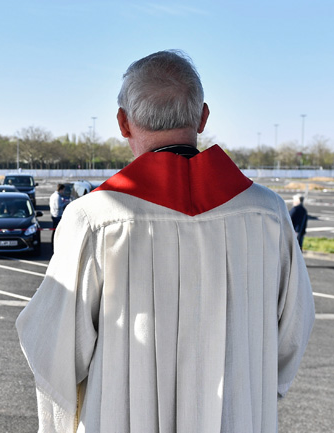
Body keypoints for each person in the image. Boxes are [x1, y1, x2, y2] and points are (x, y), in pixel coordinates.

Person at [16, 50, 315, 432]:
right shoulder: (269, 215)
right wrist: (247, 390)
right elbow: (292, 332)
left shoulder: (94, 219)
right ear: (203, 117)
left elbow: (54, 350)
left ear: (123, 123)